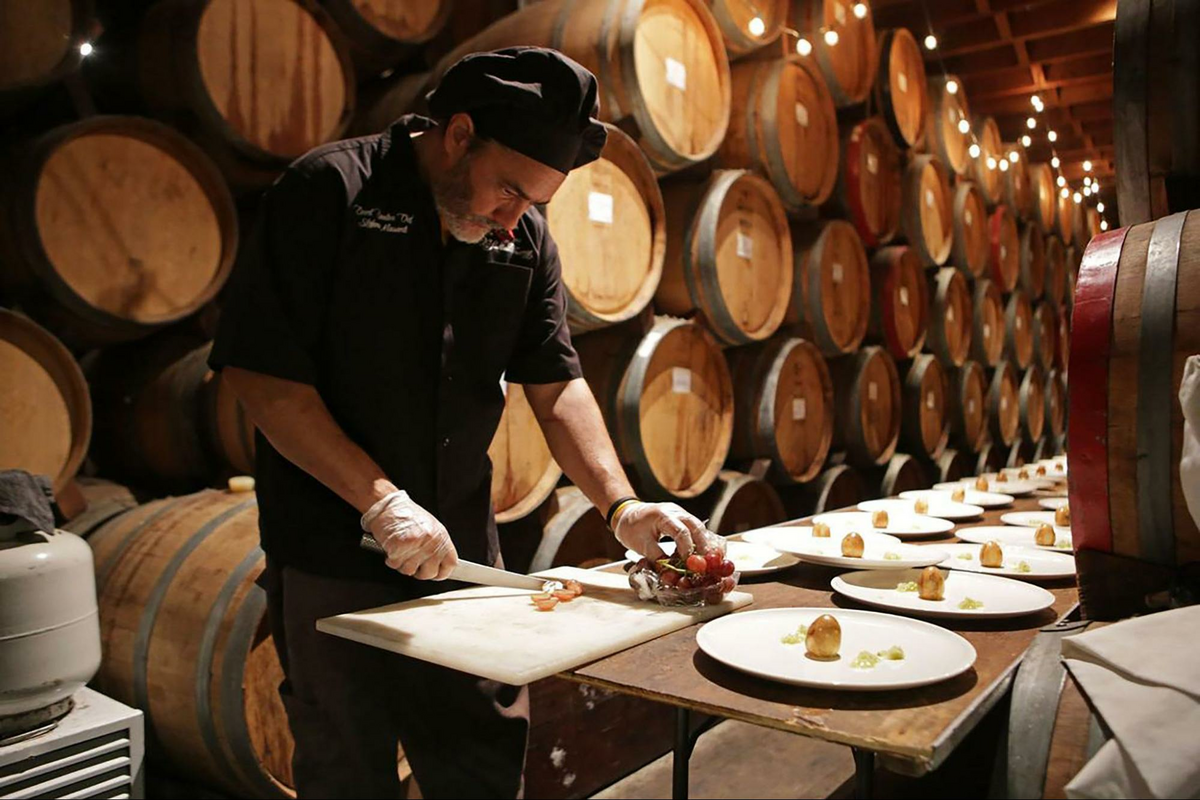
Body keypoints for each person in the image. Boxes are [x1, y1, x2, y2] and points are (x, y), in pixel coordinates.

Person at [209, 47, 709, 799]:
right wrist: (380, 500)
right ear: (457, 133)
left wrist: (623, 504)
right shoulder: (331, 191)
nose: (514, 217)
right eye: (508, 189)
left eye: (534, 202)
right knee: (346, 766)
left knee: (480, 756)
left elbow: (556, 382)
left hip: (462, 553)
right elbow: (263, 375)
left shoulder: (526, 236)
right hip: (330, 550)